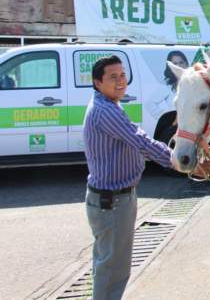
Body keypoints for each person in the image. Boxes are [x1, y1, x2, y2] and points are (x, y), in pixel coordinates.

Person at [83, 55, 175, 300]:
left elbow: (135, 136)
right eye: (113, 77)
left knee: (110, 265)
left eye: (122, 75)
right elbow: (140, 140)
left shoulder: (109, 104)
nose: (120, 81)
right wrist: (176, 160)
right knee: (112, 269)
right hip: (111, 203)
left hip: (114, 200)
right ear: (97, 82)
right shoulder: (105, 111)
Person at [144, 50, 189, 120]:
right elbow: (150, 104)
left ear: (186, 64)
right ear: (170, 66)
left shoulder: (194, 82)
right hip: (178, 126)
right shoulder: (168, 85)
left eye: (181, 62)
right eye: (175, 63)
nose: (178, 66)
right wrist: (167, 118)